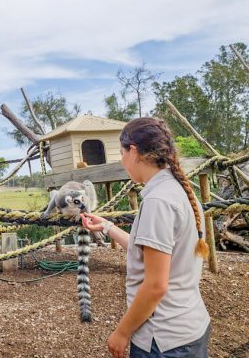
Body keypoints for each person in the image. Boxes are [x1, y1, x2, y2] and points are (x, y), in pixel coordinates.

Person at [81, 117, 211, 358]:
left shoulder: (157, 201)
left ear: (133, 151)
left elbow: (155, 285)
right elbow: (153, 254)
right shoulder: (179, 188)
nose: (122, 161)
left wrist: (122, 332)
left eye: (121, 153)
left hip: (163, 340)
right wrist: (108, 227)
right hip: (190, 326)